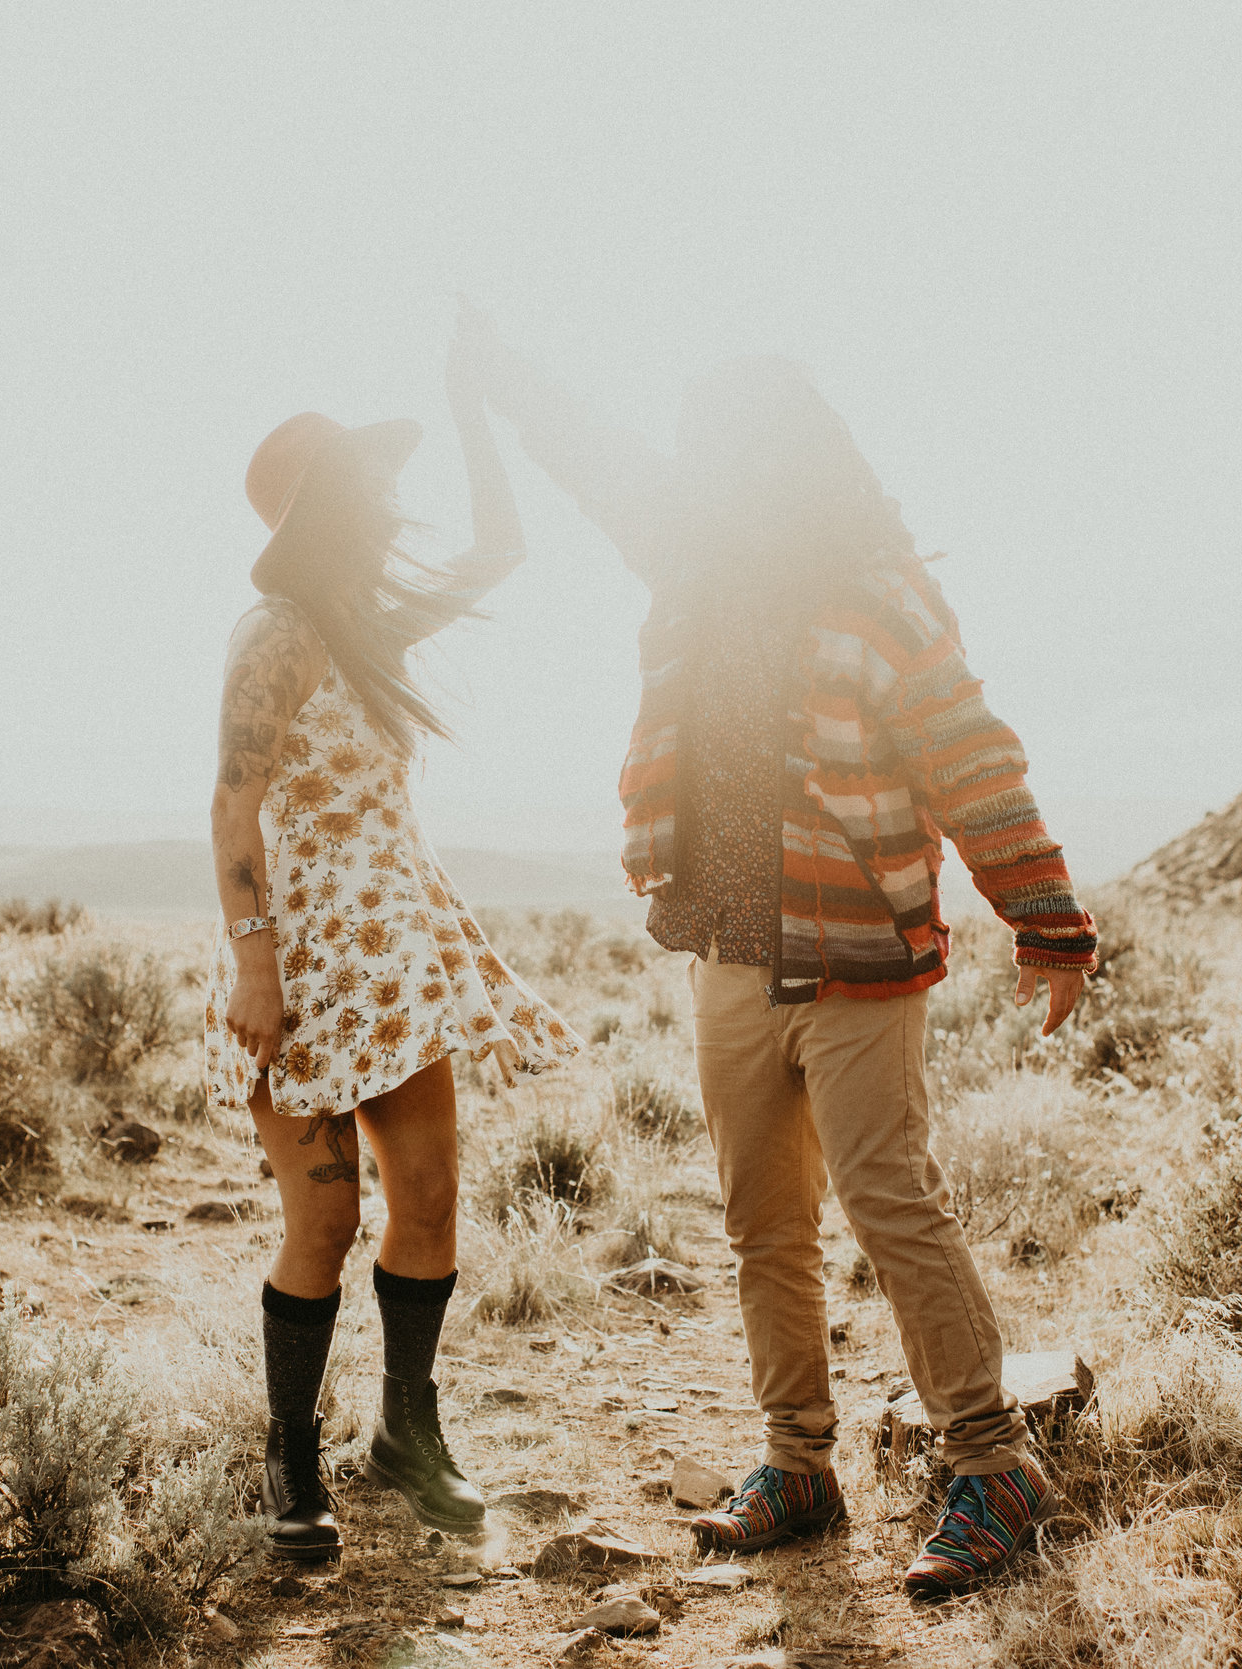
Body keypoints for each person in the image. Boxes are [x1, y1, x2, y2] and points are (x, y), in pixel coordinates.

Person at [459, 317, 1097, 1600]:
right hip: (729, 948)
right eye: (695, 445)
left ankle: (992, 1467)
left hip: (858, 951)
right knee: (763, 1221)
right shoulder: (687, 556)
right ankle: (796, 1467)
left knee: (887, 1200)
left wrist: (1046, 918)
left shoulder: (881, 594)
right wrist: (507, 369)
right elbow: (597, 458)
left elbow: (973, 760)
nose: (701, 464)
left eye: (725, 444)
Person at [204, 319, 584, 1565]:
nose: (386, 499)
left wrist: (471, 411)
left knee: (427, 1201)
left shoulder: (367, 622)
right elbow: (231, 802)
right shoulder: (274, 631)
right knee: (322, 1223)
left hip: (395, 959)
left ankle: (406, 1432)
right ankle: (291, 1459)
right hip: (303, 968)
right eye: (367, 483)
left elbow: (504, 547)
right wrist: (255, 960)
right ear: (323, 505)